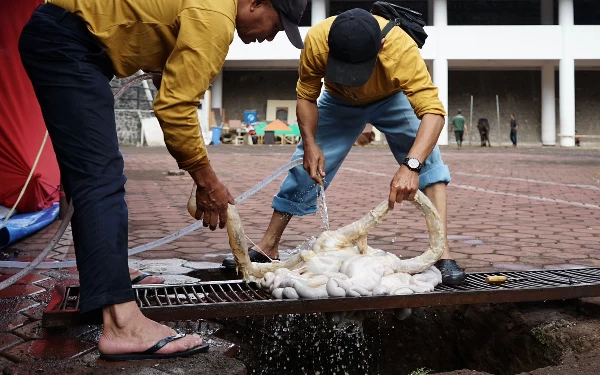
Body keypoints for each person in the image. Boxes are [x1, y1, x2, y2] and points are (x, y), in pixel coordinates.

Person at [19, 0, 307, 361]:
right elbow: (174, 107)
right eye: (276, 25)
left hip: (65, 37)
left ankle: (105, 279)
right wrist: (206, 181)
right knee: (100, 178)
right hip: (67, 40)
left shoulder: (210, 7)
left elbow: (165, 71)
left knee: (90, 174)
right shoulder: (216, 19)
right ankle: (122, 324)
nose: (271, 36)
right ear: (256, 3)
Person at [222, 8, 466, 285]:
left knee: (429, 164)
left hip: (391, 97)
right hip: (339, 101)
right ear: (330, 46)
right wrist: (311, 144)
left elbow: (433, 112)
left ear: (380, 46)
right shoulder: (316, 41)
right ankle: (268, 246)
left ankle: (442, 253)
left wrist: (411, 165)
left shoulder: (400, 48)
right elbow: (307, 96)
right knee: (305, 168)